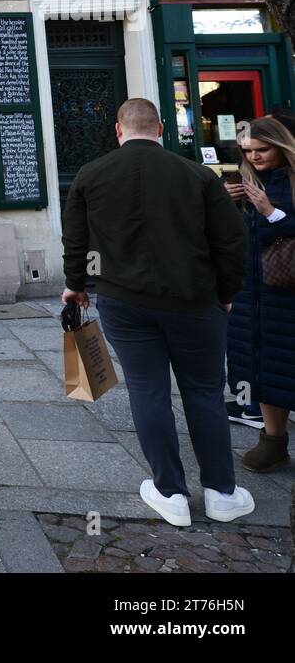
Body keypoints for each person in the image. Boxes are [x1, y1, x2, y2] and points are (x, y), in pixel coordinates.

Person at [61, 98, 252, 527]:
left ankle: (171, 493)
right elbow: (232, 240)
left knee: (147, 390)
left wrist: (77, 285)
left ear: (118, 130)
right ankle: (221, 491)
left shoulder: (91, 175)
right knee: (204, 392)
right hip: (194, 301)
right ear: (162, 129)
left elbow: (76, 240)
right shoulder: (198, 175)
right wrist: (227, 292)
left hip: (124, 301)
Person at [224, 116, 295, 472]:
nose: (254, 157)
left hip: (287, 292)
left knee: (286, 363)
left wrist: (270, 212)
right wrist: (225, 203)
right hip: (251, 291)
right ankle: (273, 440)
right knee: (262, 367)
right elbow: (232, 239)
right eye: (248, 151)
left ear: (281, 146)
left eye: (262, 150)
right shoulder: (247, 181)